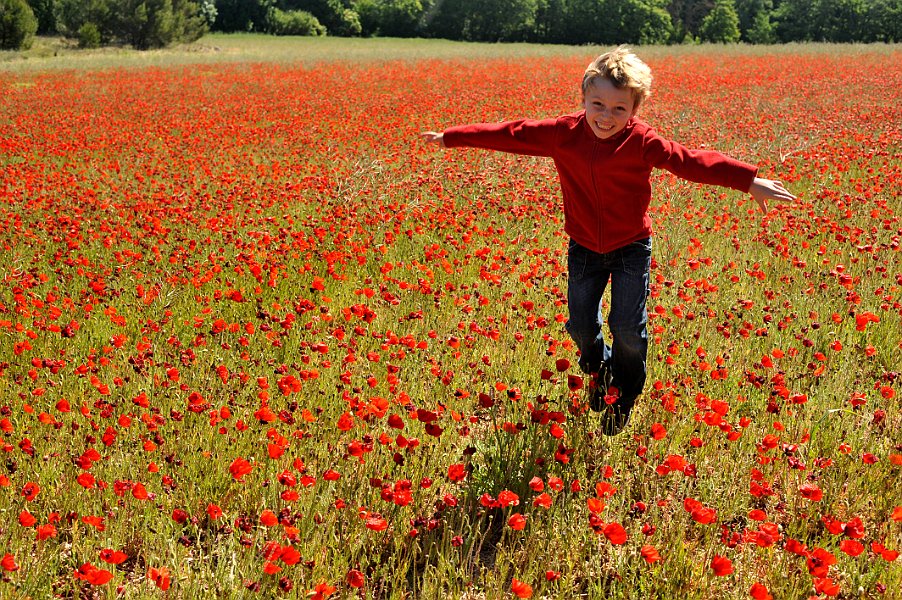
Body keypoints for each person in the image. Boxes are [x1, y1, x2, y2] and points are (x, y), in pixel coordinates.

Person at [420, 46, 796, 435]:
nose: (606, 116)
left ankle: (626, 391)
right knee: (581, 325)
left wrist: (747, 179)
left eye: (620, 109)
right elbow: (511, 133)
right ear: (583, 98)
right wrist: (451, 137)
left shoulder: (643, 141)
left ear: (635, 109)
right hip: (584, 246)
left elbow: (689, 160)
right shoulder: (561, 133)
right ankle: (599, 370)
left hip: (631, 246)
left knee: (627, 326)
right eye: (597, 103)